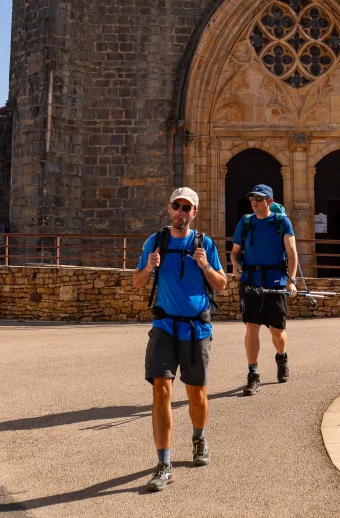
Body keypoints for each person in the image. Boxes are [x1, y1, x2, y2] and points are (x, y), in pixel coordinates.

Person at [133, 187, 227, 491]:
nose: (181, 212)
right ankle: (164, 463)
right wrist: (149, 267)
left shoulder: (205, 244)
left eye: (187, 208)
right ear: (169, 208)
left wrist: (206, 266)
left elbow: (222, 285)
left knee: (197, 395)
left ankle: (198, 438)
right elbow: (136, 281)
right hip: (163, 326)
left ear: (195, 213)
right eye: (177, 206)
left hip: (197, 329)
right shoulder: (155, 242)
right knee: (161, 391)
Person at [230, 183, 298, 395]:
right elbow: (234, 252)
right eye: (252, 198)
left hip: (275, 281)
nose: (254, 202)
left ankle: (281, 356)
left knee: (277, 332)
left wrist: (291, 279)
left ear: (269, 201)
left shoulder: (281, 222)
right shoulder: (246, 222)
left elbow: (292, 253)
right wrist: (235, 264)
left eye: (259, 199)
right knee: (252, 327)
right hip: (250, 280)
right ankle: (253, 374)